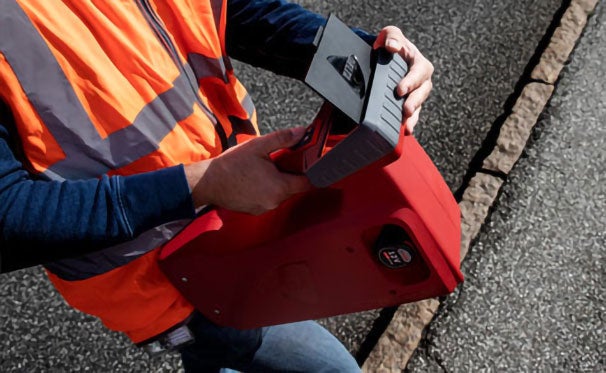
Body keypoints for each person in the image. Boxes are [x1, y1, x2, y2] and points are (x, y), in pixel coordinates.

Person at [0, 0, 433, 371]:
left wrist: (361, 59)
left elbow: (233, 11)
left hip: (239, 220)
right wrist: (201, 185)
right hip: (159, 279)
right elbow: (8, 217)